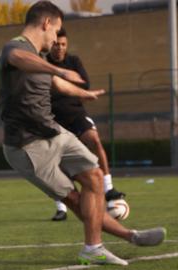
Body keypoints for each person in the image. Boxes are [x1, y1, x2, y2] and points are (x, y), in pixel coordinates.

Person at [0, 1, 166, 266]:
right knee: (75, 200)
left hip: (53, 132)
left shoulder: (39, 60)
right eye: (56, 31)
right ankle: (122, 239)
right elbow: (17, 59)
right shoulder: (15, 47)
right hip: (27, 146)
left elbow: (56, 83)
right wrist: (58, 68)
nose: (55, 40)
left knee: (95, 177)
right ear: (46, 24)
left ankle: (102, 245)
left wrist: (84, 93)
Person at [48, 27, 125, 222]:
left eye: (63, 44)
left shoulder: (74, 62)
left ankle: (109, 189)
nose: (59, 48)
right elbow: (47, 90)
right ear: (50, 44)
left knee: (94, 140)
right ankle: (61, 207)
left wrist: (65, 88)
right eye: (56, 44)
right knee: (57, 163)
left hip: (76, 114)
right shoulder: (44, 64)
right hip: (53, 119)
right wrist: (67, 86)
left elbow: (84, 85)